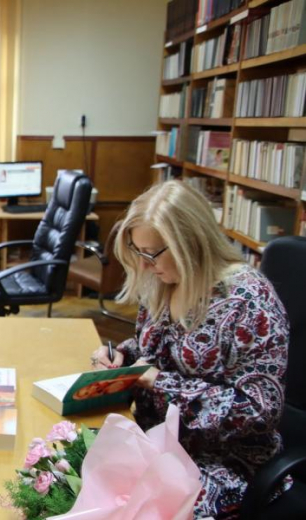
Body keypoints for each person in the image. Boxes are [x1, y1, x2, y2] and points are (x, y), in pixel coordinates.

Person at [90, 181, 289, 519]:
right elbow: (151, 346)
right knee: (74, 476)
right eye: (138, 253)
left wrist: (158, 382)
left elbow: (258, 411)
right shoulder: (165, 282)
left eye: (151, 253)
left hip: (222, 460)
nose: (144, 265)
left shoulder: (249, 302)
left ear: (190, 243)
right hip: (158, 443)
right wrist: (122, 355)